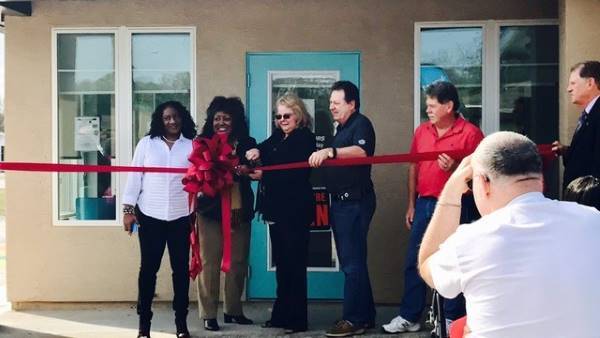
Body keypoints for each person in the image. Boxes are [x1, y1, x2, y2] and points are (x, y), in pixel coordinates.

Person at [419, 131, 600, 338]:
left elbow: (427, 265)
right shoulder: (593, 221)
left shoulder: (471, 240)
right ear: (539, 178)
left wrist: (451, 191)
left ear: (484, 183)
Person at [382, 81, 483, 334]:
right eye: (426, 105)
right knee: (415, 261)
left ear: (448, 106)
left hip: (457, 205)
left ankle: (452, 319)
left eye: (432, 105)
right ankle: (410, 316)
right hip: (425, 203)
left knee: (453, 262)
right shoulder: (422, 132)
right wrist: (411, 204)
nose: (427, 109)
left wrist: (457, 167)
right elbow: (413, 167)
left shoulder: (470, 133)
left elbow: (481, 173)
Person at [122, 101, 196, 338]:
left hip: (181, 216)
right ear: (160, 120)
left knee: (181, 271)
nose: (172, 121)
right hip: (150, 215)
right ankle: (144, 325)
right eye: (167, 117)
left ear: (182, 118)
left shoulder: (192, 145)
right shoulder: (146, 144)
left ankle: (181, 324)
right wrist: (127, 210)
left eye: (176, 117)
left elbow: (200, 179)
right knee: (148, 271)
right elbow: (135, 177)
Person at [308, 81, 376, 337]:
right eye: (330, 103)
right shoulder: (343, 127)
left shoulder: (361, 124)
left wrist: (331, 151)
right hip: (341, 202)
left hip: (354, 202)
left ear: (352, 104)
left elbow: (361, 151)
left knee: (351, 263)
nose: (331, 107)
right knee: (356, 260)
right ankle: (365, 316)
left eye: (337, 102)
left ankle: (353, 319)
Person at [245, 93, 315, 334]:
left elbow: (296, 174)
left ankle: (297, 320)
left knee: (294, 265)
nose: (283, 120)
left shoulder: (305, 138)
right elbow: (261, 149)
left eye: (287, 115)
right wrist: (254, 151)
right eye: (278, 116)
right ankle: (281, 315)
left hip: (295, 211)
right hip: (276, 209)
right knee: (283, 265)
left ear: (299, 115)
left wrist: (265, 174)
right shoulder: (278, 137)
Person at [194, 96, 256, 331]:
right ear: (211, 120)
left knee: (238, 261)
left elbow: (256, 165)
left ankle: (233, 310)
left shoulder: (247, 142)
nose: (221, 122)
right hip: (210, 211)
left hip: (239, 210)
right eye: (217, 118)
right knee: (210, 262)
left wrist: (250, 164)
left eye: (226, 118)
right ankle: (208, 314)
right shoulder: (202, 142)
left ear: (236, 121)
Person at [552, 61, 600, 190]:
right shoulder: (590, 112)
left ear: (590, 83)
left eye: (573, 83)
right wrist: (568, 151)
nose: (568, 89)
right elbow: (589, 153)